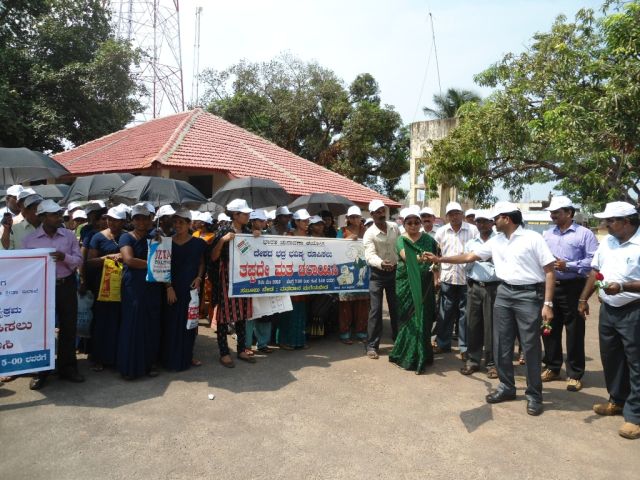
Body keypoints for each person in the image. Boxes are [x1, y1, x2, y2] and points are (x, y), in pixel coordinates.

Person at [426, 202, 555, 416]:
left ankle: (534, 395)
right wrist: (440, 259)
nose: (493, 222)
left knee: (530, 345)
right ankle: (506, 387)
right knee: (501, 342)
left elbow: (549, 271)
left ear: (506, 218)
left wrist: (548, 304)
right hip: (504, 292)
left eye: (495, 218)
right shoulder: (497, 241)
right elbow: (469, 256)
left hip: (528, 295)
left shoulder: (533, 239)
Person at [578, 201, 640, 440]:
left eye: (611, 220)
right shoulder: (607, 242)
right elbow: (595, 271)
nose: (606, 224)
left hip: (634, 309)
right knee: (611, 358)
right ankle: (617, 400)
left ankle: (635, 416)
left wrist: (623, 287)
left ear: (627, 221)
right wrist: (584, 298)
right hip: (609, 310)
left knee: (636, 362)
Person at [23, 199, 84, 390]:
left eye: (59, 214)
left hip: (66, 285)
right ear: (42, 217)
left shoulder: (69, 236)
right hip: (42, 289)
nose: (59, 218)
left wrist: (64, 257)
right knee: (42, 330)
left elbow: (79, 260)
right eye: (54, 215)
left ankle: (68, 368)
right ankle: (41, 371)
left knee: (68, 327)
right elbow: (25, 268)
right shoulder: (30, 240)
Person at [541, 196, 598, 392]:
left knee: (574, 331)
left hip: (573, 287)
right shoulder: (547, 234)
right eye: (551, 213)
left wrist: (569, 265)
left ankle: (574, 374)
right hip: (550, 287)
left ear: (569, 213)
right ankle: (552, 367)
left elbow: (593, 261)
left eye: (556, 212)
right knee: (549, 328)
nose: (552, 215)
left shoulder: (585, 234)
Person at [388, 207, 438, 374]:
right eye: (409, 223)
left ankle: (423, 355)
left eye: (417, 222)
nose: (414, 226)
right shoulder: (401, 239)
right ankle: (406, 355)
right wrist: (422, 258)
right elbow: (406, 257)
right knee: (409, 320)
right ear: (404, 224)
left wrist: (436, 274)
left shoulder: (429, 240)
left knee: (423, 319)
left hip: (425, 286)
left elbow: (437, 260)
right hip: (406, 284)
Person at [118, 202, 163, 380]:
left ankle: (149, 363)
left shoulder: (155, 235)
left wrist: (160, 240)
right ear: (132, 220)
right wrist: (153, 265)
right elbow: (129, 260)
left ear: (151, 219)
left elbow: (164, 256)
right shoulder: (126, 237)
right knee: (133, 323)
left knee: (151, 323)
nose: (141, 222)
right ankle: (129, 367)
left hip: (152, 285)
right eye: (137, 218)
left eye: (145, 218)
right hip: (133, 286)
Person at [210, 198, 256, 367]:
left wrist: (257, 236)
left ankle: (241, 349)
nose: (248, 216)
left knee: (242, 313)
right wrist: (223, 241)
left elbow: (253, 251)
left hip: (243, 276)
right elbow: (213, 257)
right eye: (245, 213)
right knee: (224, 315)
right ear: (236, 215)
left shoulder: (248, 231)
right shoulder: (223, 231)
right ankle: (224, 352)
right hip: (226, 277)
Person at [162, 209, 206, 371]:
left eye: (181, 222)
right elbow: (162, 266)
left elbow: (201, 263)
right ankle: (169, 359)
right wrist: (168, 287)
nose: (177, 225)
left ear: (189, 224)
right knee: (170, 324)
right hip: (171, 289)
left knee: (189, 324)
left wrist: (199, 277)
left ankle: (187, 356)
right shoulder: (166, 242)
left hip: (190, 289)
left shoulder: (199, 243)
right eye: (175, 222)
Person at [433, 201, 478, 358]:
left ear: (462, 214)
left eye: (457, 213)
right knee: (445, 312)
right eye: (451, 214)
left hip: (467, 279)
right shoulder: (441, 232)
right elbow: (437, 256)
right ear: (447, 216)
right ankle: (442, 343)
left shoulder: (473, 230)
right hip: (448, 278)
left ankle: (464, 348)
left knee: (465, 315)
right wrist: (436, 276)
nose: (454, 216)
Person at [85, 206, 127, 371]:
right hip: (103, 285)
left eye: (116, 220)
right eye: (110, 219)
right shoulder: (98, 237)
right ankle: (99, 357)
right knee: (102, 321)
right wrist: (107, 258)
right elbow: (90, 262)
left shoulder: (127, 236)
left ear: (123, 222)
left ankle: (116, 356)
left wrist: (124, 257)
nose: (112, 223)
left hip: (122, 285)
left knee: (119, 320)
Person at [460, 210, 500, 378]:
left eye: (485, 221)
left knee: (491, 327)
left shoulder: (499, 241)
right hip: (474, 286)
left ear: (492, 223)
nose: (481, 224)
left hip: (493, 287)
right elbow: (465, 264)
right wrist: (474, 259)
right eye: (478, 221)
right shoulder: (471, 243)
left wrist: (488, 259)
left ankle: (492, 363)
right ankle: (473, 360)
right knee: (473, 324)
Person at [363, 199, 400, 359]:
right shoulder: (369, 233)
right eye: (377, 212)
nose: (381, 214)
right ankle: (372, 346)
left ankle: (399, 340)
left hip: (395, 271)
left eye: (382, 211)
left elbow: (400, 245)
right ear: (372, 214)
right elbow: (370, 255)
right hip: (377, 274)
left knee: (396, 307)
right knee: (376, 310)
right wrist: (381, 263)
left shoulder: (394, 227)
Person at [276, 209, 311, 350]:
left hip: (304, 277)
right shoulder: (288, 236)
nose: (306, 223)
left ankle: (299, 341)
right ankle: (284, 340)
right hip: (289, 277)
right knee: (288, 310)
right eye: (304, 220)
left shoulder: (310, 238)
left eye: (307, 220)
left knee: (301, 310)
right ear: (296, 222)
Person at [336, 206, 369, 344]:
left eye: (357, 216)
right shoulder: (342, 231)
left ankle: (361, 332)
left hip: (363, 270)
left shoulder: (366, 231)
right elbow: (335, 247)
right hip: (347, 270)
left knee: (363, 304)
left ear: (361, 218)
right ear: (348, 218)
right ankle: (345, 333)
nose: (355, 219)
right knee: (345, 304)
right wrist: (348, 239)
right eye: (352, 217)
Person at [244, 209, 274, 354]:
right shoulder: (243, 234)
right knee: (249, 314)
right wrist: (251, 237)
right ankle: (246, 344)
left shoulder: (268, 235)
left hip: (265, 278)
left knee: (265, 312)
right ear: (253, 221)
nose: (263, 223)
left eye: (264, 221)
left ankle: (263, 343)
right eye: (260, 221)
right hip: (249, 278)